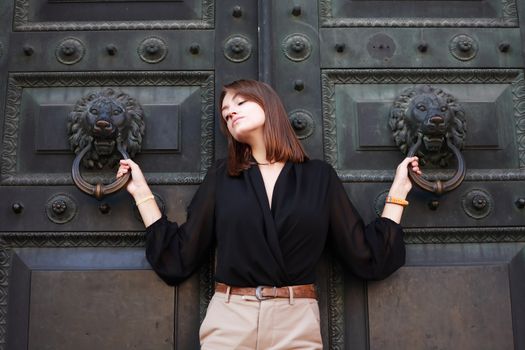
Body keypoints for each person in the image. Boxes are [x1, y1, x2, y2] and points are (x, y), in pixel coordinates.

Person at [117, 79, 420, 349]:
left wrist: (400, 190)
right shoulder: (222, 176)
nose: (230, 112)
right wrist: (141, 193)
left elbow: (365, 253)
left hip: (296, 319)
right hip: (230, 318)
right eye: (225, 111)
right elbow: (181, 254)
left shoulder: (319, 177)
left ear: (269, 105)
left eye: (240, 102)